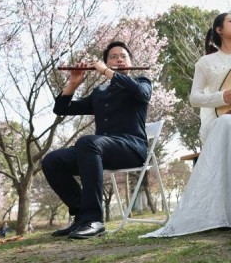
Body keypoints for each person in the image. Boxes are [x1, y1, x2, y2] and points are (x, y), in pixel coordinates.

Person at [142, 11, 231, 238]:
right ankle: (222, 213)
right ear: (218, 30)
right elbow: (194, 98)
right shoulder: (206, 62)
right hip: (218, 120)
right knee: (229, 122)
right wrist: (222, 97)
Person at [42, 41, 152, 239]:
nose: (119, 59)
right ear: (106, 62)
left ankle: (94, 219)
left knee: (87, 142)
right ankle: (81, 217)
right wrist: (73, 84)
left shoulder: (141, 82)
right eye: (113, 57)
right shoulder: (100, 93)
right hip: (98, 151)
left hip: (131, 148)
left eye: (123, 56)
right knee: (52, 160)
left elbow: (141, 94)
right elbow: (61, 109)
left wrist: (107, 73)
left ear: (130, 62)